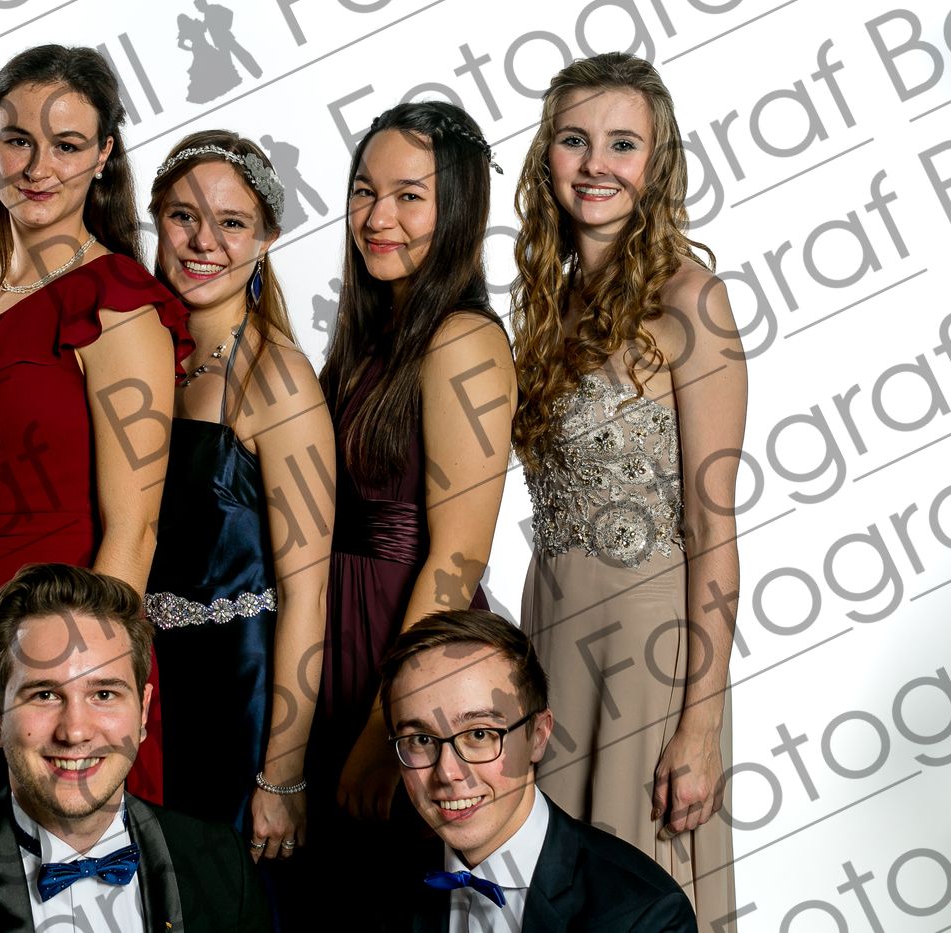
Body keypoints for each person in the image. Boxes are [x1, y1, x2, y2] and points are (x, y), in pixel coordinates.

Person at [0, 44, 192, 833]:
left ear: (103, 156)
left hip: (55, 651)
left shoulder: (120, 306)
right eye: (17, 140)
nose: (38, 168)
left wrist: (80, 684)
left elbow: (134, 530)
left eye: (66, 145)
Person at [511, 52, 744, 925]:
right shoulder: (551, 304)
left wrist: (700, 725)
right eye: (574, 139)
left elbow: (714, 530)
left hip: (649, 652)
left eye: (622, 143)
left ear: (657, 162)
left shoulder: (692, 299)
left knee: (632, 891)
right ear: (547, 156)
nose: (595, 164)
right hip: (549, 629)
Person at [308, 101, 516, 924]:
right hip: (337, 634)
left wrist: (387, 726)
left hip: (408, 648)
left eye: (409, 197)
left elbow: (458, 557)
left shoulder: (462, 339)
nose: (377, 217)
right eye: (365, 191)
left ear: (456, 211)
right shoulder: (371, 334)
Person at [0, 563, 271, 932]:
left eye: (104, 694)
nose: (74, 732)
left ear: (143, 712)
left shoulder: (224, 865)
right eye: (45, 695)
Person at [143, 132, 333, 869]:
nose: (204, 242)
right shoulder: (144, 354)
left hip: (234, 694)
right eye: (183, 217)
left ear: (266, 239)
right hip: (142, 685)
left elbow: (308, 593)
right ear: (155, 221)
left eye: (231, 223)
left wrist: (281, 771)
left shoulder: (278, 379)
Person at [378, 610, 699, 932]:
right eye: (421, 740)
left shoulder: (646, 914)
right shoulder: (375, 886)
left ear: (539, 736)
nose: (447, 773)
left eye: (479, 734)